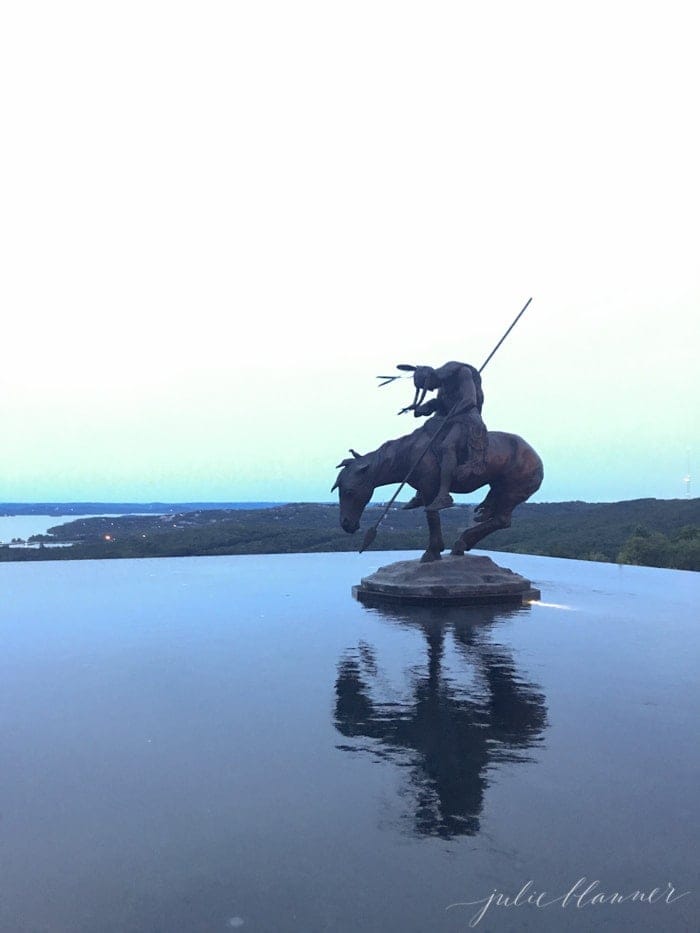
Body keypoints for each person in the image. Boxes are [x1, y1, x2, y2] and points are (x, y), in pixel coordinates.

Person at [401, 361, 488, 511]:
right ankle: (422, 492)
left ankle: (444, 495)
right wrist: (426, 407)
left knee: (447, 445)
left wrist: (450, 416)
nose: (430, 390)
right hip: (450, 419)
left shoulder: (462, 373)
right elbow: (440, 404)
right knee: (424, 443)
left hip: (467, 418)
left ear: (431, 377)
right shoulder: (442, 383)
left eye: (428, 387)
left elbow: (470, 400)